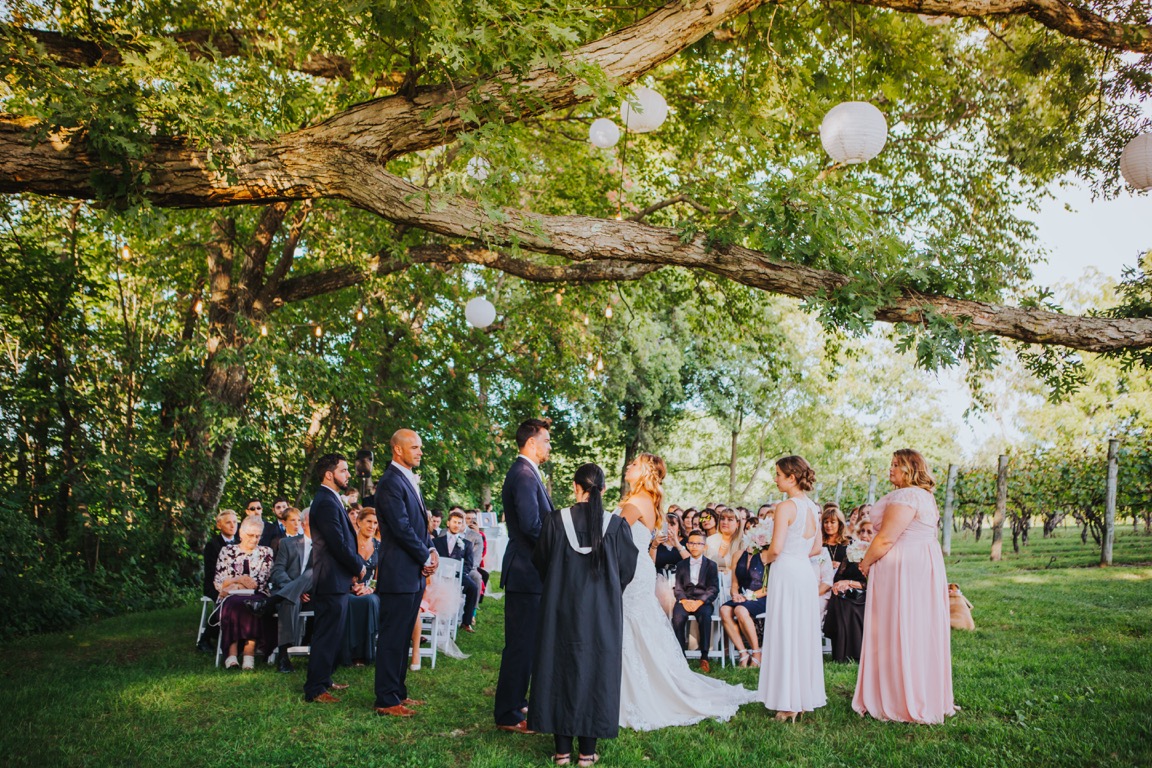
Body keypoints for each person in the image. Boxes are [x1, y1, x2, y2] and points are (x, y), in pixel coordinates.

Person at [617, 453, 756, 730]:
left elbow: (613, 538)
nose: (629, 466)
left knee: (633, 625)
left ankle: (635, 690)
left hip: (632, 571)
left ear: (645, 471)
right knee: (637, 626)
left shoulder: (637, 501)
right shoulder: (647, 500)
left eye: (634, 464)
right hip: (639, 568)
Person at [529, 464, 638, 767]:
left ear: (576, 487)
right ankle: (587, 753)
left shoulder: (555, 521)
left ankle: (562, 751)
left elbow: (542, 562)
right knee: (597, 672)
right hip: (601, 613)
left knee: (559, 668)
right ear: (603, 489)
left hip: (559, 609)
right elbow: (626, 571)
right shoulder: (616, 526)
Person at [853, 450, 956, 724]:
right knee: (917, 627)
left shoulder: (906, 496)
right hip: (923, 564)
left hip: (902, 568)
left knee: (898, 625)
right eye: (891, 464)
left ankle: (898, 698)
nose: (891, 469)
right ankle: (921, 691)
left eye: (896, 465)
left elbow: (886, 539)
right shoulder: (926, 497)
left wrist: (865, 562)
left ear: (910, 469)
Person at [494, 418, 555, 733]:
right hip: (525, 571)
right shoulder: (522, 474)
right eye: (546, 440)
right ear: (532, 442)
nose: (549, 446)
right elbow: (532, 525)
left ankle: (517, 701)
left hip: (530, 572)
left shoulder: (528, 473)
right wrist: (558, 547)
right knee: (520, 644)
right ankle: (508, 713)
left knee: (527, 642)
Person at [756, 455, 826, 722]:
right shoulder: (813, 508)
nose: (775, 479)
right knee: (801, 633)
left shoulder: (785, 507)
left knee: (785, 631)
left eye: (778, 474)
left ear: (791, 477)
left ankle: (788, 703)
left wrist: (763, 557)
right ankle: (802, 698)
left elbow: (775, 549)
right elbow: (817, 548)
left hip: (786, 571)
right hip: (804, 572)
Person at [373, 429, 438, 717]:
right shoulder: (390, 482)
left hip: (412, 572)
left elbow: (420, 524)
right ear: (398, 450)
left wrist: (431, 549)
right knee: (392, 637)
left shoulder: (407, 478)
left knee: (403, 637)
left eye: (420, 447)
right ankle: (386, 699)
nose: (420, 451)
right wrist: (424, 556)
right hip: (398, 572)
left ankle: (398, 692)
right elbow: (401, 528)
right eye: (414, 447)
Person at [303, 453, 365, 704]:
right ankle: (315, 689)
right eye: (344, 470)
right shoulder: (326, 501)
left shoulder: (331, 498)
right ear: (329, 474)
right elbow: (338, 543)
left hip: (337, 578)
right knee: (326, 634)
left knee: (333, 633)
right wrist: (358, 565)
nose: (348, 474)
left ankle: (325, 679)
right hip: (330, 578)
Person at [213, 515, 276, 670]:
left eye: (258, 536)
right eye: (250, 535)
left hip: (257, 594)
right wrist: (240, 579)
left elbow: (260, 582)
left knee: (252, 605)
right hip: (230, 597)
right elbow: (219, 580)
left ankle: (249, 653)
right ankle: (232, 654)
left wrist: (234, 584)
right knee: (233, 604)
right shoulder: (227, 551)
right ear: (241, 534)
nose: (254, 539)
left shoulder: (265, 552)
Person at [264, 507, 312, 673]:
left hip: (313, 595)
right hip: (291, 593)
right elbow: (278, 570)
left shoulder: (324, 547)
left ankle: (270, 602)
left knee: (314, 572)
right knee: (289, 601)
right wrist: (294, 589)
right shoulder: (287, 543)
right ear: (303, 524)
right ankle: (284, 657)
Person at [670, 531, 720, 672]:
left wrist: (700, 602)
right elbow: (678, 588)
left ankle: (704, 656)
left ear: (705, 546)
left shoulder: (711, 565)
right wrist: (684, 601)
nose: (695, 546)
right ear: (687, 545)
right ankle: (681, 656)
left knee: (705, 617)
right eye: (691, 543)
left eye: (698, 543)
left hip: (702, 601)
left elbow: (713, 589)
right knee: (677, 618)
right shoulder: (681, 564)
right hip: (685, 599)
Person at [824, 522, 871, 662]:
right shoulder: (851, 551)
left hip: (868, 594)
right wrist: (839, 585)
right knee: (839, 599)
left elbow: (875, 582)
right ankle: (841, 654)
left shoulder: (879, 553)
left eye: (869, 532)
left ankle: (856, 653)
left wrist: (850, 583)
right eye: (862, 531)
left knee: (850, 606)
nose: (864, 535)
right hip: (847, 593)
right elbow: (839, 576)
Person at [340, 508, 381, 666]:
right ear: (359, 522)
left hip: (371, 590)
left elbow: (379, 576)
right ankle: (348, 653)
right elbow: (340, 570)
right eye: (369, 521)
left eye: (375, 523)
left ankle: (364, 654)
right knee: (350, 601)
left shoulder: (379, 546)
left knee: (370, 601)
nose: (372, 526)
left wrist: (370, 588)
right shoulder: (348, 544)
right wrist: (351, 587)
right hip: (347, 588)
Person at [720, 542, 767, 668]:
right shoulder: (738, 555)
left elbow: (768, 587)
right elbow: (734, 583)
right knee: (724, 610)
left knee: (740, 610)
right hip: (742, 596)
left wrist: (747, 597)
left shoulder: (766, 554)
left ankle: (757, 653)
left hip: (761, 597)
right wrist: (735, 595)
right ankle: (743, 653)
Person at [198, 509, 238, 652]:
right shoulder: (213, 545)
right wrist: (225, 586)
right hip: (215, 585)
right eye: (228, 522)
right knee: (227, 601)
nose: (232, 525)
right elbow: (211, 572)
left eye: (235, 522)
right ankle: (206, 638)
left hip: (237, 585)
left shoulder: (241, 542)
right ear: (219, 525)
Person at [433, 509, 480, 632]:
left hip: (458, 575)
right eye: (454, 522)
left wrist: (457, 572)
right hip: (438, 575)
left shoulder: (466, 544)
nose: (457, 525)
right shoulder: (436, 542)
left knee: (473, 588)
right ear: (448, 523)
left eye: (459, 523)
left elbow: (469, 564)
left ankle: (466, 622)